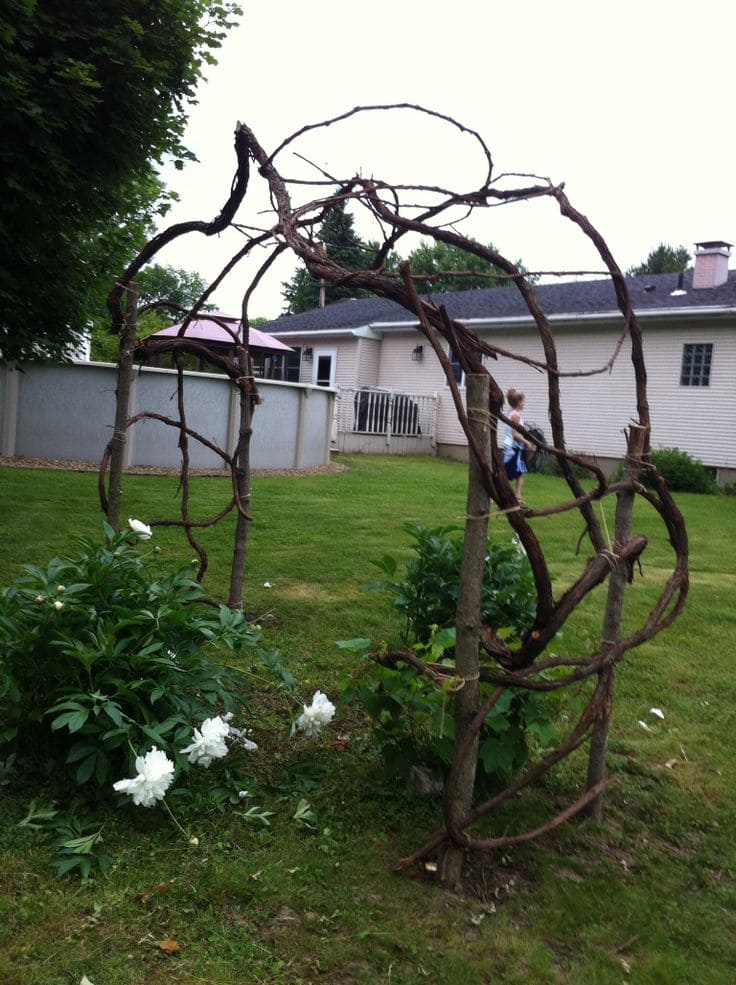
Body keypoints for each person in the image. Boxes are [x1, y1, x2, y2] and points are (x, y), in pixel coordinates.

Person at [502, 387, 534, 502]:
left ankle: (518, 496)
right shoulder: (516, 415)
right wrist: (526, 442)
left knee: (521, 471)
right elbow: (515, 434)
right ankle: (514, 496)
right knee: (507, 472)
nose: (524, 403)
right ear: (519, 402)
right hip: (513, 447)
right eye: (523, 401)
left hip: (514, 447)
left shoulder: (512, 413)